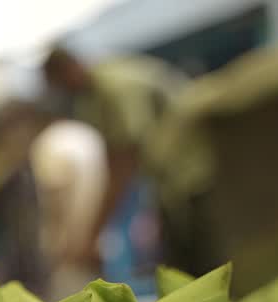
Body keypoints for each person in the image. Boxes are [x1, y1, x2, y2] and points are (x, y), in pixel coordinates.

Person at [41, 46, 187, 275]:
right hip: (168, 170)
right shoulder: (90, 98)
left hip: (189, 162)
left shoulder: (114, 87)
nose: (63, 91)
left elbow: (125, 159)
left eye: (61, 83)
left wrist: (94, 232)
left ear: (69, 68)